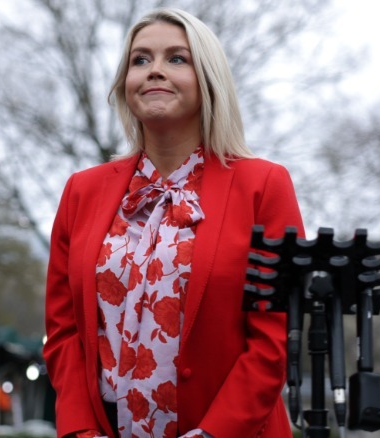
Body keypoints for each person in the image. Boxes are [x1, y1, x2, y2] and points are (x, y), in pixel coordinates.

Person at [43, 7, 303, 438]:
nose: (154, 71)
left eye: (176, 59)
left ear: (208, 79)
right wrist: (79, 431)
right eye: (140, 60)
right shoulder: (81, 192)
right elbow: (63, 333)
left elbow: (273, 340)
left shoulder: (264, 186)